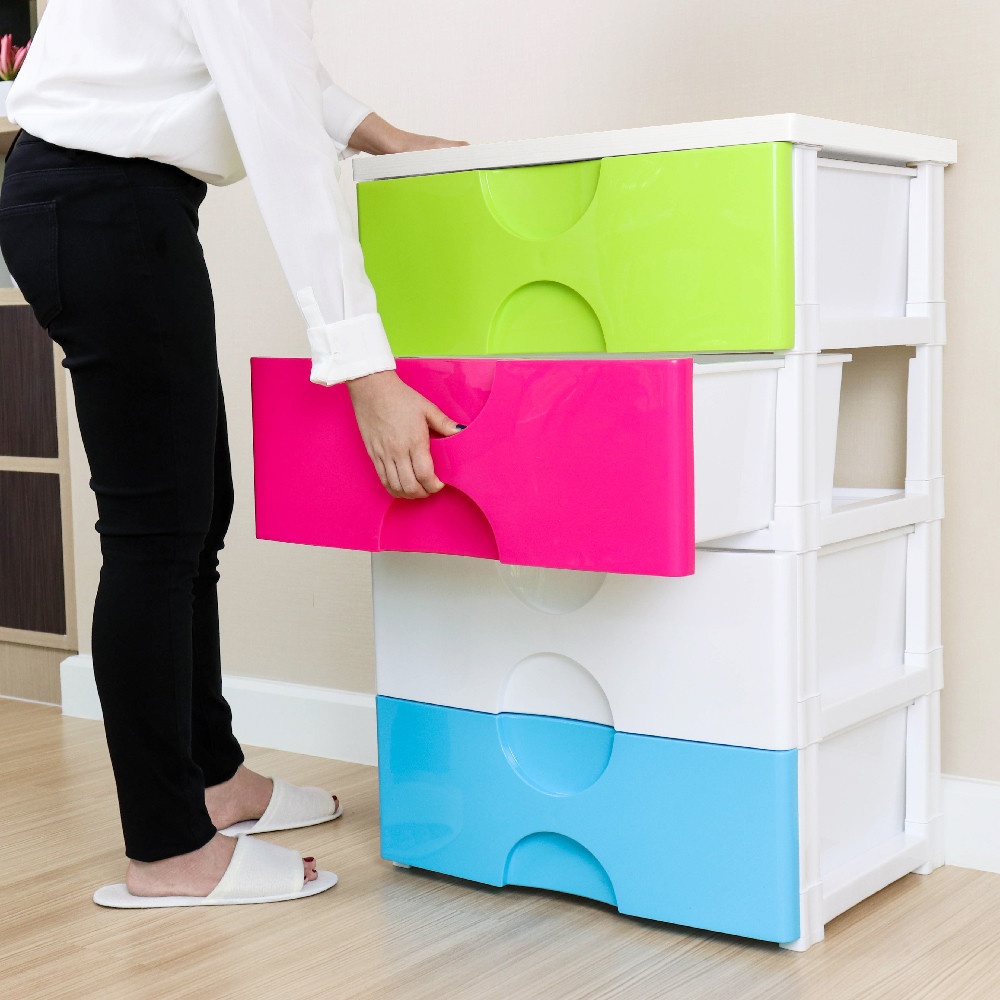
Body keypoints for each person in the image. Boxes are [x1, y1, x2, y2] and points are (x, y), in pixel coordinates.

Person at [0, 0, 464, 908]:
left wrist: (380, 135)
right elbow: (284, 144)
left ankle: (213, 776)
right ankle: (168, 848)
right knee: (154, 534)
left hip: (106, 200)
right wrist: (366, 370)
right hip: (103, 202)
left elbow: (272, 65)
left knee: (194, 509)